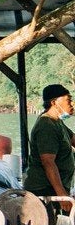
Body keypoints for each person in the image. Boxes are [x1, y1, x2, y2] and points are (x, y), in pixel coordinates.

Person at [23, 83, 75, 212]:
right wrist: (62, 194)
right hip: (45, 190)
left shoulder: (57, 122)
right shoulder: (46, 125)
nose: (72, 104)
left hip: (56, 188)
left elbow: (73, 139)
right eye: (68, 100)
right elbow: (48, 162)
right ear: (54, 102)